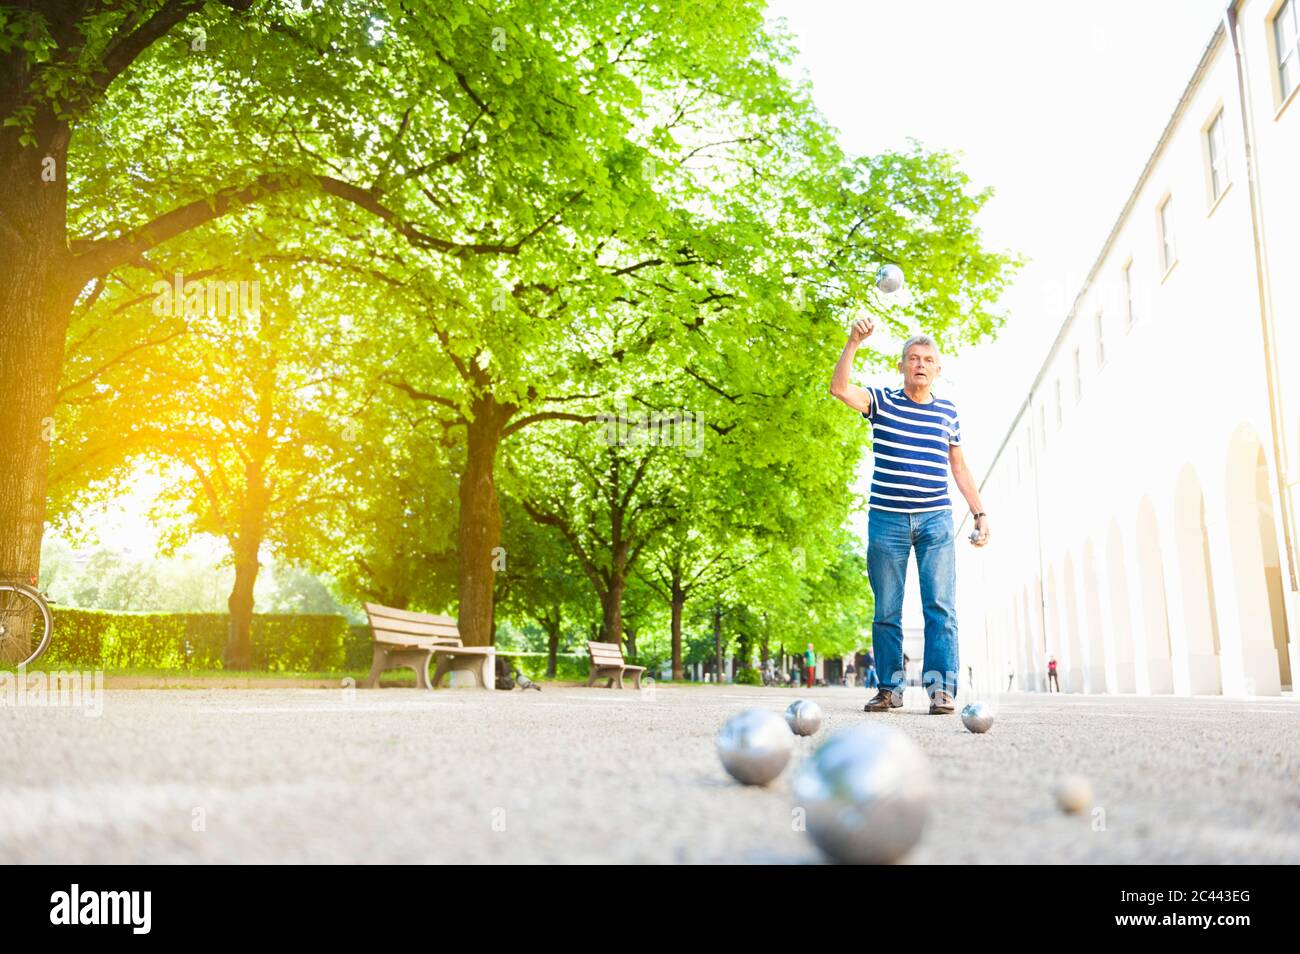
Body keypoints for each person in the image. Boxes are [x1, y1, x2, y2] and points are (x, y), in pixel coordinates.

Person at [831, 322, 991, 715]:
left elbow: (959, 466)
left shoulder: (948, 411)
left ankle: (941, 691)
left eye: (928, 360)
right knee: (887, 607)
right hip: (887, 519)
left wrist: (979, 513)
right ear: (901, 366)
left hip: (936, 519)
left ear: (938, 369)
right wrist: (853, 343)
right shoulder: (881, 401)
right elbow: (839, 389)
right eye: (914, 359)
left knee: (941, 606)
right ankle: (889, 689)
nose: (921, 365)